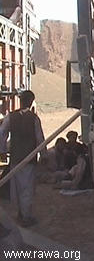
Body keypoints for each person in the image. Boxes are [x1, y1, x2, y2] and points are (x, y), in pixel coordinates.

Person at [0, 90, 45, 227]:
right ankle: (25, 217)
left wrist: (2, 151)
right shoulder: (34, 119)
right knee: (27, 188)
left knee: (17, 186)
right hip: (28, 159)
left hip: (15, 158)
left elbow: (1, 134)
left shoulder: (10, 117)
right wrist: (44, 155)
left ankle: (20, 213)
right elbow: (40, 139)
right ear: (31, 102)